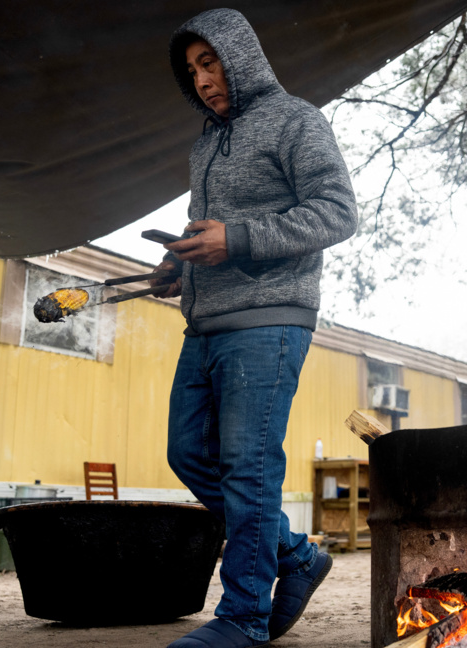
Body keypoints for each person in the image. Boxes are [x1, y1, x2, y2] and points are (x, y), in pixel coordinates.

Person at [150, 8, 359, 648]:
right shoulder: (204, 145)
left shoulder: (297, 120)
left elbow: (337, 212)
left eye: (210, 62)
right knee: (188, 453)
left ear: (239, 55)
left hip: (268, 320)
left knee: (249, 466)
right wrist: (175, 265)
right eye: (192, 70)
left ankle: (243, 615)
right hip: (205, 323)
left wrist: (236, 240)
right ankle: (297, 555)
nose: (204, 80)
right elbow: (203, 228)